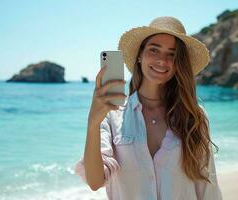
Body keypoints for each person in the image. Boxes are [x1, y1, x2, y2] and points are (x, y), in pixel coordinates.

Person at [75, 16, 222, 200]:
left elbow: (208, 189)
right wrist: (93, 122)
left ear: (178, 63)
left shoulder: (194, 116)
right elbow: (95, 181)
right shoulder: (112, 115)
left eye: (172, 54)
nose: (162, 60)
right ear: (139, 55)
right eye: (154, 50)